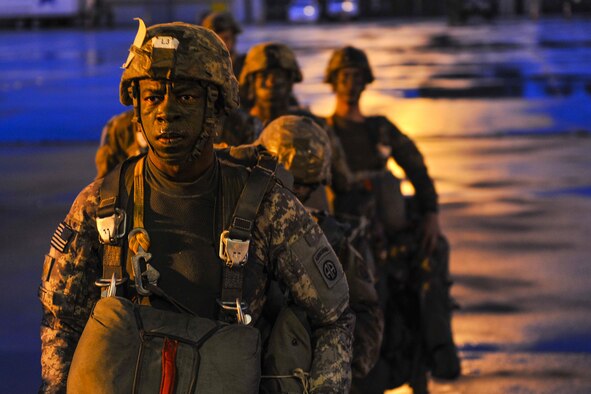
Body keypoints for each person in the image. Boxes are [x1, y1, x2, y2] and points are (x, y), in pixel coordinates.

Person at [39, 21, 354, 393]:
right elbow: (61, 323)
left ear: (216, 108)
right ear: (136, 107)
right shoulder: (100, 204)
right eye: (153, 97)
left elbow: (333, 318)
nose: (166, 112)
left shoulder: (267, 206)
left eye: (186, 97)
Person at [324, 45, 460, 391]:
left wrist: (430, 214)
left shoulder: (380, 129)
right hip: (344, 241)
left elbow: (416, 167)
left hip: (387, 237)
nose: (350, 84)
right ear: (333, 81)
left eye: (356, 77)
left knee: (430, 266)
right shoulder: (323, 133)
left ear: (365, 81)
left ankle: (437, 351)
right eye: (344, 77)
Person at [257, 115, 384, 386]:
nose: (296, 194)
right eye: (292, 183)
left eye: (307, 187)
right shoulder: (239, 223)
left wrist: (335, 369)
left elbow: (365, 310)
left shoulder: (329, 239)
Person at [239, 42, 352, 194]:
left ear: (291, 80)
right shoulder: (235, 125)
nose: (272, 82)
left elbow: (342, 181)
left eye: (278, 75)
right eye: (263, 76)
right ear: (251, 81)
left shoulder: (312, 127)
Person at [201, 11, 246, 78]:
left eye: (227, 38)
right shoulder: (202, 69)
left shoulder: (244, 65)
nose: (224, 44)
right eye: (220, 40)